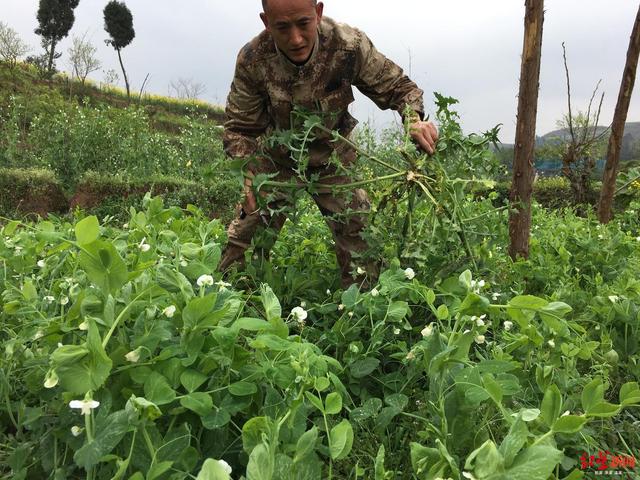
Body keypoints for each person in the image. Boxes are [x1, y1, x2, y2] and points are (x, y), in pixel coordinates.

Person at [219, 0, 438, 286]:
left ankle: (363, 311)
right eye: (282, 27)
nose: (295, 38)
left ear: (318, 12)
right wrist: (247, 170)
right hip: (277, 161)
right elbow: (239, 128)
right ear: (266, 22)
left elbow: (399, 88)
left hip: (334, 161)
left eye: (303, 23)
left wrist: (413, 118)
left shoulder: (348, 45)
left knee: (359, 239)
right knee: (246, 236)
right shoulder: (253, 59)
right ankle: (231, 299)